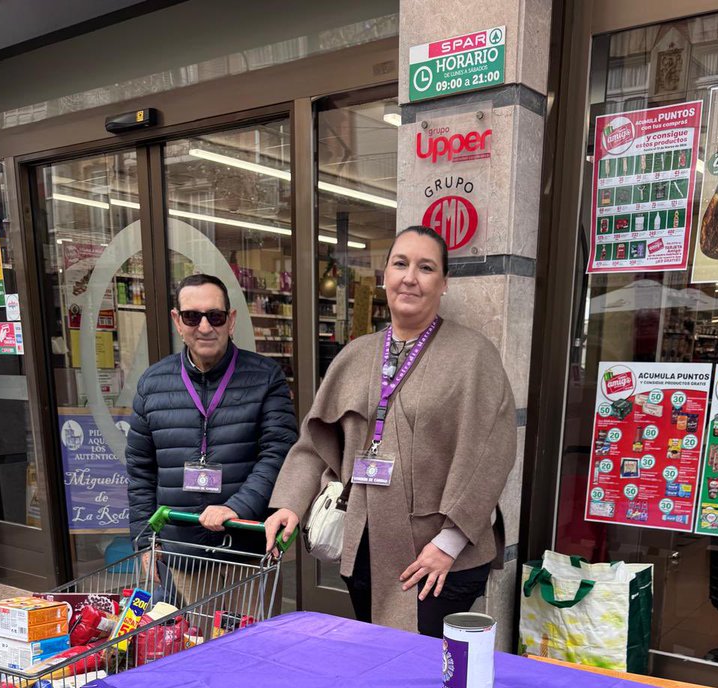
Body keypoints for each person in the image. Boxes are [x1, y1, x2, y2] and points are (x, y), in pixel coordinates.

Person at [265, 226, 516, 637]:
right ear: (385, 275)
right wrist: (289, 504)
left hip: (437, 559)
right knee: (377, 662)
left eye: (426, 267)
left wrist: (447, 545)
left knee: (426, 678)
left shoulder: (473, 357)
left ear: (444, 282)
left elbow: (491, 456)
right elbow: (314, 444)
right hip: (365, 549)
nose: (410, 277)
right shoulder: (356, 354)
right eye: (400, 264)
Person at [126, 272, 297, 591]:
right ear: (177, 321)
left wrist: (236, 507)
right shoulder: (153, 384)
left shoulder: (265, 378)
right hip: (181, 556)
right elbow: (140, 471)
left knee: (248, 640)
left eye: (215, 316)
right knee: (187, 640)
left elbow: (279, 454)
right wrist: (146, 541)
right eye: (192, 317)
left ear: (231, 320)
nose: (204, 327)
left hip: (245, 554)